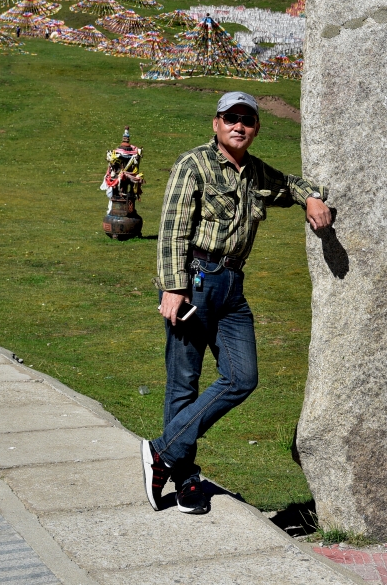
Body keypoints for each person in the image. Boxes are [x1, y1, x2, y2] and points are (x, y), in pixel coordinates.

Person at [141, 91, 331, 515]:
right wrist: (173, 288)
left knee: (242, 377)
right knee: (183, 383)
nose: (239, 126)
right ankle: (186, 480)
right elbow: (172, 229)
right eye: (230, 118)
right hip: (193, 280)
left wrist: (313, 196)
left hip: (231, 287)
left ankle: (162, 452)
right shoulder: (193, 165)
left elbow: (290, 185)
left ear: (256, 128)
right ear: (216, 123)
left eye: (247, 119)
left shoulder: (254, 172)